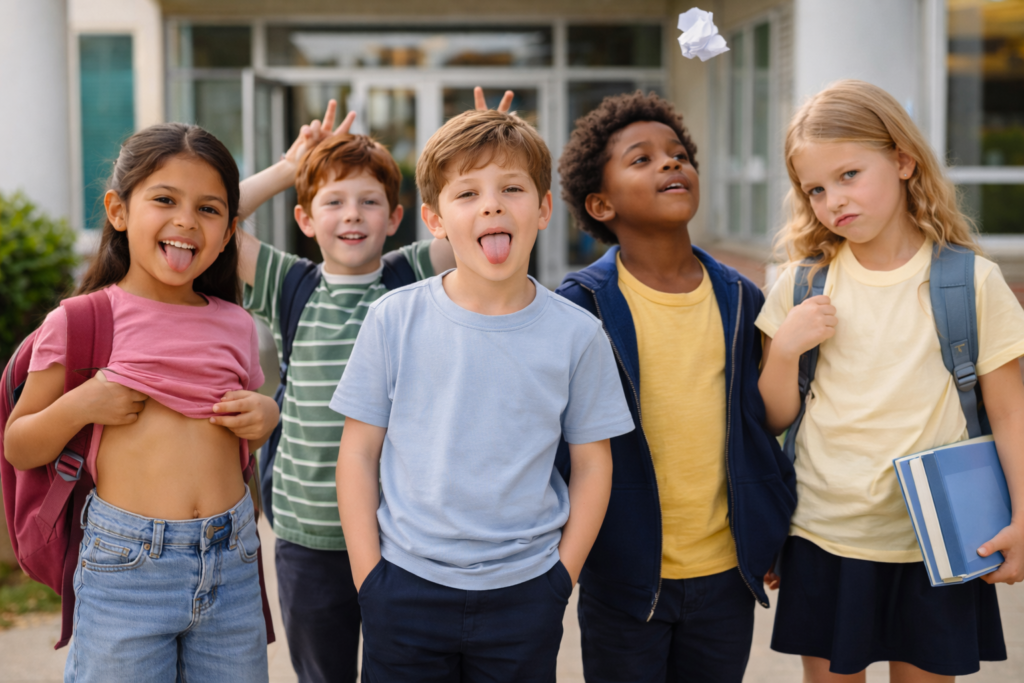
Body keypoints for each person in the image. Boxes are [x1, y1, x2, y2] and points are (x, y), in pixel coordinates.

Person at [330, 108, 634, 682]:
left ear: (543, 209)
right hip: (404, 587)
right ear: (435, 219)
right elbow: (358, 453)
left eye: (511, 188)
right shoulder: (394, 318)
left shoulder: (578, 334)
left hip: (526, 592)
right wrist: (369, 577)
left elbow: (594, 464)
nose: (491, 205)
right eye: (467, 193)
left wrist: (561, 578)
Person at [234, 90, 508, 683]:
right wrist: (288, 169)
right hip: (308, 535)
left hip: (402, 535)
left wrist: (488, 152)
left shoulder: (413, 272)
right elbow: (216, 220)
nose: (353, 214)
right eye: (333, 201)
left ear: (396, 217)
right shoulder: (289, 284)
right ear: (305, 220)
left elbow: (479, 222)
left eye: (369, 201)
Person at [757, 79, 1024, 682]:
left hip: (937, 539)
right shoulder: (802, 284)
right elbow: (773, 416)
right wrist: (785, 350)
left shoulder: (972, 282)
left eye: (850, 175)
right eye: (816, 189)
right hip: (824, 534)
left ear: (903, 161)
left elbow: (1012, 414)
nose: (834, 201)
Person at [4, 123, 278, 683]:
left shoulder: (237, 324)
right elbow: (19, 445)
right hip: (126, 568)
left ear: (228, 232)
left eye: (208, 209)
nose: (186, 221)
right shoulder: (80, 320)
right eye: (165, 200)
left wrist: (265, 415)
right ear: (119, 210)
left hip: (232, 559)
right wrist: (83, 404)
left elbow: (240, 430)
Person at [553, 91, 796, 683]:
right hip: (624, 581)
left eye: (679, 154)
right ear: (601, 203)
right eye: (642, 159)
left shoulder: (741, 298)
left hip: (727, 576)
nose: (670, 162)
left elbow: (758, 426)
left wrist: (770, 526)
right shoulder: (579, 306)